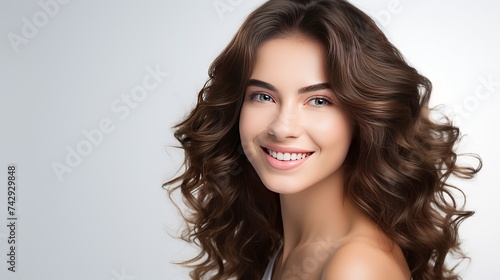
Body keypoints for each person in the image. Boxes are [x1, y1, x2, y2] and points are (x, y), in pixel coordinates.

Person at [164, 0, 481, 279]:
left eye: (318, 101)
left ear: (362, 118)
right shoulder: (286, 244)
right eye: (263, 96)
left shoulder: (356, 266)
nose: (282, 127)